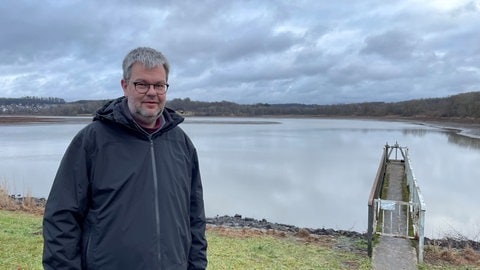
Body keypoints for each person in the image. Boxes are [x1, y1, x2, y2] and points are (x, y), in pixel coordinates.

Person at [42, 47, 207, 269]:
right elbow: (61, 217)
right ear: (125, 86)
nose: (152, 92)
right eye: (142, 84)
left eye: (159, 85)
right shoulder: (93, 141)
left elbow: (195, 218)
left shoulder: (181, 144)